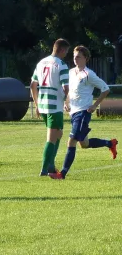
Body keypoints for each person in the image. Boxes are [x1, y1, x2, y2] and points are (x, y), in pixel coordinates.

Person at [49, 45, 118, 180]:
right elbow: (68, 91)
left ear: (85, 58)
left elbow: (105, 89)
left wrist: (94, 105)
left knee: (71, 142)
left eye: (78, 57)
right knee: (84, 144)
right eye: (74, 57)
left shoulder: (89, 74)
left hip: (83, 112)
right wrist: (66, 102)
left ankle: (62, 174)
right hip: (73, 113)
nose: (75, 59)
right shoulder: (70, 72)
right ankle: (110, 143)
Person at [30, 38, 70, 176]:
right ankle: (45, 168)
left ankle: (51, 165)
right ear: (63, 50)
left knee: (58, 133)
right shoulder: (61, 65)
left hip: (43, 104)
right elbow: (66, 87)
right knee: (52, 138)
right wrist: (67, 101)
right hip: (55, 106)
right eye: (66, 52)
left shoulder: (41, 63)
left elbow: (33, 85)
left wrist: (36, 104)